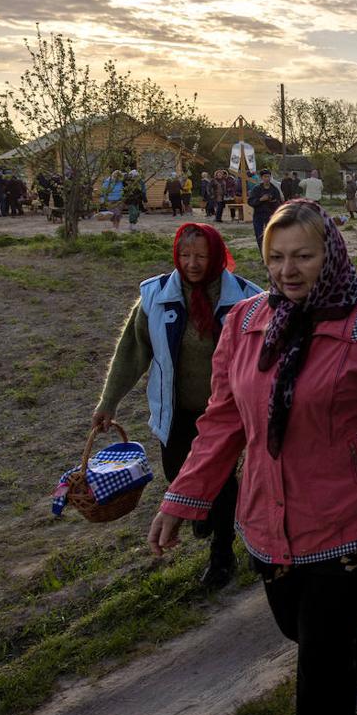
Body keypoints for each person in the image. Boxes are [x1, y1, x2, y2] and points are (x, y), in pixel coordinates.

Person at [148, 201, 357, 715]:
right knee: (298, 627)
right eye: (275, 257)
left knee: (319, 659)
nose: (287, 271)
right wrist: (184, 498)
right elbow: (223, 422)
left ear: (331, 255)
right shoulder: (245, 324)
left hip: (350, 521)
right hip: (269, 519)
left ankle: (345, 659)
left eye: (303, 256)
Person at [94, 223, 262, 588]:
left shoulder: (246, 299)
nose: (192, 263)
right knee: (176, 472)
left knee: (220, 481)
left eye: (201, 256)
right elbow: (132, 353)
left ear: (216, 255)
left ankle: (222, 552)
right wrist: (109, 402)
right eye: (185, 256)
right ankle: (203, 509)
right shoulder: (155, 296)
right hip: (176, 411)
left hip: (225, 416)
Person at [248, 169, 283, 250]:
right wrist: (260, 200)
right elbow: (250, 202)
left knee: (271, 235)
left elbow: (279, 203)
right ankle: (263, 255)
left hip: (270, 215)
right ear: (261, 178)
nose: (267, 178)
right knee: (259, 235)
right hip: (258, 214)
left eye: (268, 176)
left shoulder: (274, 189)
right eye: (265, 177)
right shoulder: (257, 189)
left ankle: (271, 253)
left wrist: (273, 202)